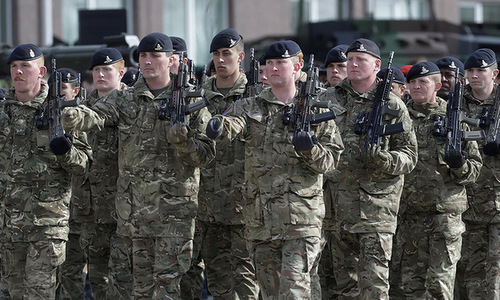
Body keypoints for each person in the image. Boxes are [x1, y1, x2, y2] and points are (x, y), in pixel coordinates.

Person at [61, 32, 216, 298]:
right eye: (144, 56)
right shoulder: (125, 99)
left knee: (167, 289)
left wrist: (183, 142)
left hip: (173, 216)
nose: (148, 61)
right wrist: (71, 115)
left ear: (170, 60)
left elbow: (205, 155)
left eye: (156, 56)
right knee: (139, 290)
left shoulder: (190, 101)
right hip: (134, 217)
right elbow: (97, 115)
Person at [205, 40, 344, 299]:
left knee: (294, 292)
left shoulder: (317, 109)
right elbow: (232, 123)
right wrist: (217, 126)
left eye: (281, 63)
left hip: (301, 221)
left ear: (297, 66)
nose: (274, 69)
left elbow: (331, 162)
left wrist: (310, 149)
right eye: (269, 64)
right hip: (261, 219)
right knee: (270, 293)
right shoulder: (251, 106)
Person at [326, 38, 418, 299]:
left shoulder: (393, 105)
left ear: (377, 65)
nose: (353, 64)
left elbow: (410, 156)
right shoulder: (328, 99)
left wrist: (383, 159)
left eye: (361, 60)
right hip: (335, 208)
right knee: (344, 288)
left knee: (375, 285)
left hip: (376, 211)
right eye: (350, 59)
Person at [0, 43, 91, 299]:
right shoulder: (3, 111)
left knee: (39, 294)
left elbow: (83, 164)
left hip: (46, 226)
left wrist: (65, 151)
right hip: (7, 226)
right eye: (14, 67)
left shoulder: (60, 112)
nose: (18, 72)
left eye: (25, 67)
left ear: (40, 71)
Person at [390, 61, 482, 299]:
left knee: (440, 287)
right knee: (410, 287)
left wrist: (459, 164)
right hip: (408, 216)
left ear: (437, 85)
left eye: (424, 81)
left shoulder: (454, 119)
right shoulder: (399, 118)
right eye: (413, 82)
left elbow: (474, 170)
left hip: (444, 217)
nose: (417, 86)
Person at [193, 28, 260, 299]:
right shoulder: (198, 96)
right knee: (219, 282)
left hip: (244, 205)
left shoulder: (256, 96)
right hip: (207, 205)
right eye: (217, 55)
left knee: (246, 281)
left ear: (240, 57)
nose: (221, 60)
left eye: (227, 54)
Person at [68, 47, 126, 299]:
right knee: (97, 275)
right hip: (90, 207)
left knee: (124, 276)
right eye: (97, 70)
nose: (101, 75)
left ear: (121, 73)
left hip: (123, 205)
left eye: (107, 69)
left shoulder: (133, 105)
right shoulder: (81, 108)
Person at [457, 48, 500, 299]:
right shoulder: (456, 102)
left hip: (497, 200)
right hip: (467, 199)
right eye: (471, 71)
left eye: (480, 70)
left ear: (494, 74)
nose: (475, 76)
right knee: (470, 270)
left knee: (495, 273)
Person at [50, 67, 88, 300]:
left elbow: (84, 163)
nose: (59, 94)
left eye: (63, 89)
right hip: (51, 213)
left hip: (78, 211)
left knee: (73, 275)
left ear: (75, 90)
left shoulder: (83, 119)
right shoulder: (43, 115)